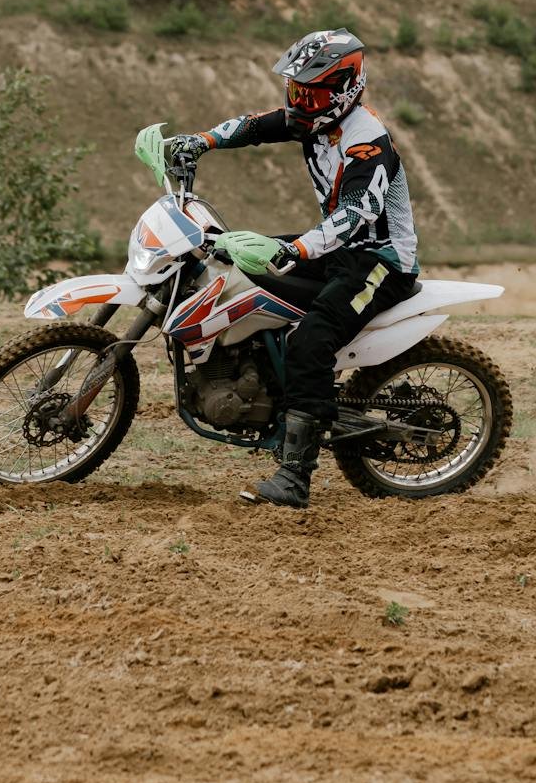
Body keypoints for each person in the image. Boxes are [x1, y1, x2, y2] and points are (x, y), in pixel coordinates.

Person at [166, 28, 419, 509]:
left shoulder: (368, 144)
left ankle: (295, 477)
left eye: (310, 92)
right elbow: (255, 126)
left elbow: (354, 215)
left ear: (343, 90)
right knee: (228, 258)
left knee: (311, 339)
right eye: (295, 89)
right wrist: (199, 142)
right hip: (335, 248)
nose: (298, 101)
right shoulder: (313, 119)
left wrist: (298, 250)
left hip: (379, 260)